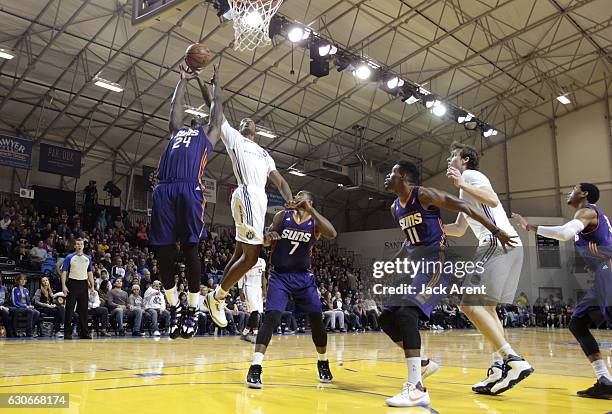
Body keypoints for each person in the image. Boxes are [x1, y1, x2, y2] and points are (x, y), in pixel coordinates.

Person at [380, 160, 515, 407]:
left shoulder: (424, 195)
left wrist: (496, 231)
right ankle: (423, 364)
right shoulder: (394, 208)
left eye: (392, 172)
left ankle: (416, 388)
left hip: (436, 265)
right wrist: (394, 262)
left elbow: (464, 205)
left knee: (407, 313)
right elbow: (409, 240)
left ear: (404, 177)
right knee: (386, 318)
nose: (387, 176)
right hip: (415, 268)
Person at [201, 79, 294, 329]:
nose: (245, 121)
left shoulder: (264, 154)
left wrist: (290, 201)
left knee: (241, 253)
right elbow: (215, 109)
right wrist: (207, 85)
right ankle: (217, 296)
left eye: (249, 121)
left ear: (256, 129)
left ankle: (218, 296)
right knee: (251, 258)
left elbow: (280, 182)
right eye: (242, 121)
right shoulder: (235, 140)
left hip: (259, 200)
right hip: (247, 194)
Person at [444, 142, 533, 394]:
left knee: (468, 304)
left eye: (454, 156)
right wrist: (432, 230)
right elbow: (460, 230)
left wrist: (461, 183)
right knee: (488, 310)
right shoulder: (467, 190)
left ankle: (513, 360)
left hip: (497, 243)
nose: (450, 159)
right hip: (510, 246)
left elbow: (493, 200)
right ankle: (498, 368)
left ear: (465, 160)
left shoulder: (471, 176)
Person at [513, 182, 612, 399]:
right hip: (601, 276)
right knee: (577, 323)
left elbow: (565, 233)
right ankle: (605, 380)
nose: (570, 192)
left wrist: (532, 227)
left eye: (574, 189)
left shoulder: (587, 212)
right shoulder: (597, 217)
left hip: (608, 274)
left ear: (584, 194)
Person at [149, 64, 223, 340]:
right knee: (163, 252)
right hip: (164, 189)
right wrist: (182, 80)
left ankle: (193, 308)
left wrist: (217, 85)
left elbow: (217, 114)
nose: (195, 118)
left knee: (191, 247)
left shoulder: (208, 134)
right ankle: (174, 307)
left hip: (189, 188)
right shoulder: (176, 132)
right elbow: (174, 109)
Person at [246, 191, 337, 389]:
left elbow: (332, 234)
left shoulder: (314, 221)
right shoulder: (282, 216)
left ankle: (323, 362)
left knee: (316, 319)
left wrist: (311, 210)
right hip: (280, 275)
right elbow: (268, 239)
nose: (295, 199)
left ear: (309, 202)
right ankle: (255, 366)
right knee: (272, 317)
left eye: (300, 197)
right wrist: (268, 237)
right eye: (295, 197)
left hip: (304, 277)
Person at [61, 238, 94, 340]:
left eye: (81, 244)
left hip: (83, 284)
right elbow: (64, 272)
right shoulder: (69, 257)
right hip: (72, 283)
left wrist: (92, 285)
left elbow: (90, 272)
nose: (79, 246)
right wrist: (64, 286)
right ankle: (67, 333)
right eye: (77, 244)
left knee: (84, 310)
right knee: (69, 309)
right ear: (75, 246)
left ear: (83, 246)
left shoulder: (88, 258)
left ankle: (84, 332)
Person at [237, 255, 266, 343]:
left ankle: (245, 333)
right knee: (255, 312)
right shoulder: (245, 261)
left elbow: (263, 276)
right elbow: (240, 276)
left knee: (258, 312)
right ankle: (256, 334)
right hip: (248, 287)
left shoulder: (262, 261)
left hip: (258, 288)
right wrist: (240, 291)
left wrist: (264, 289)